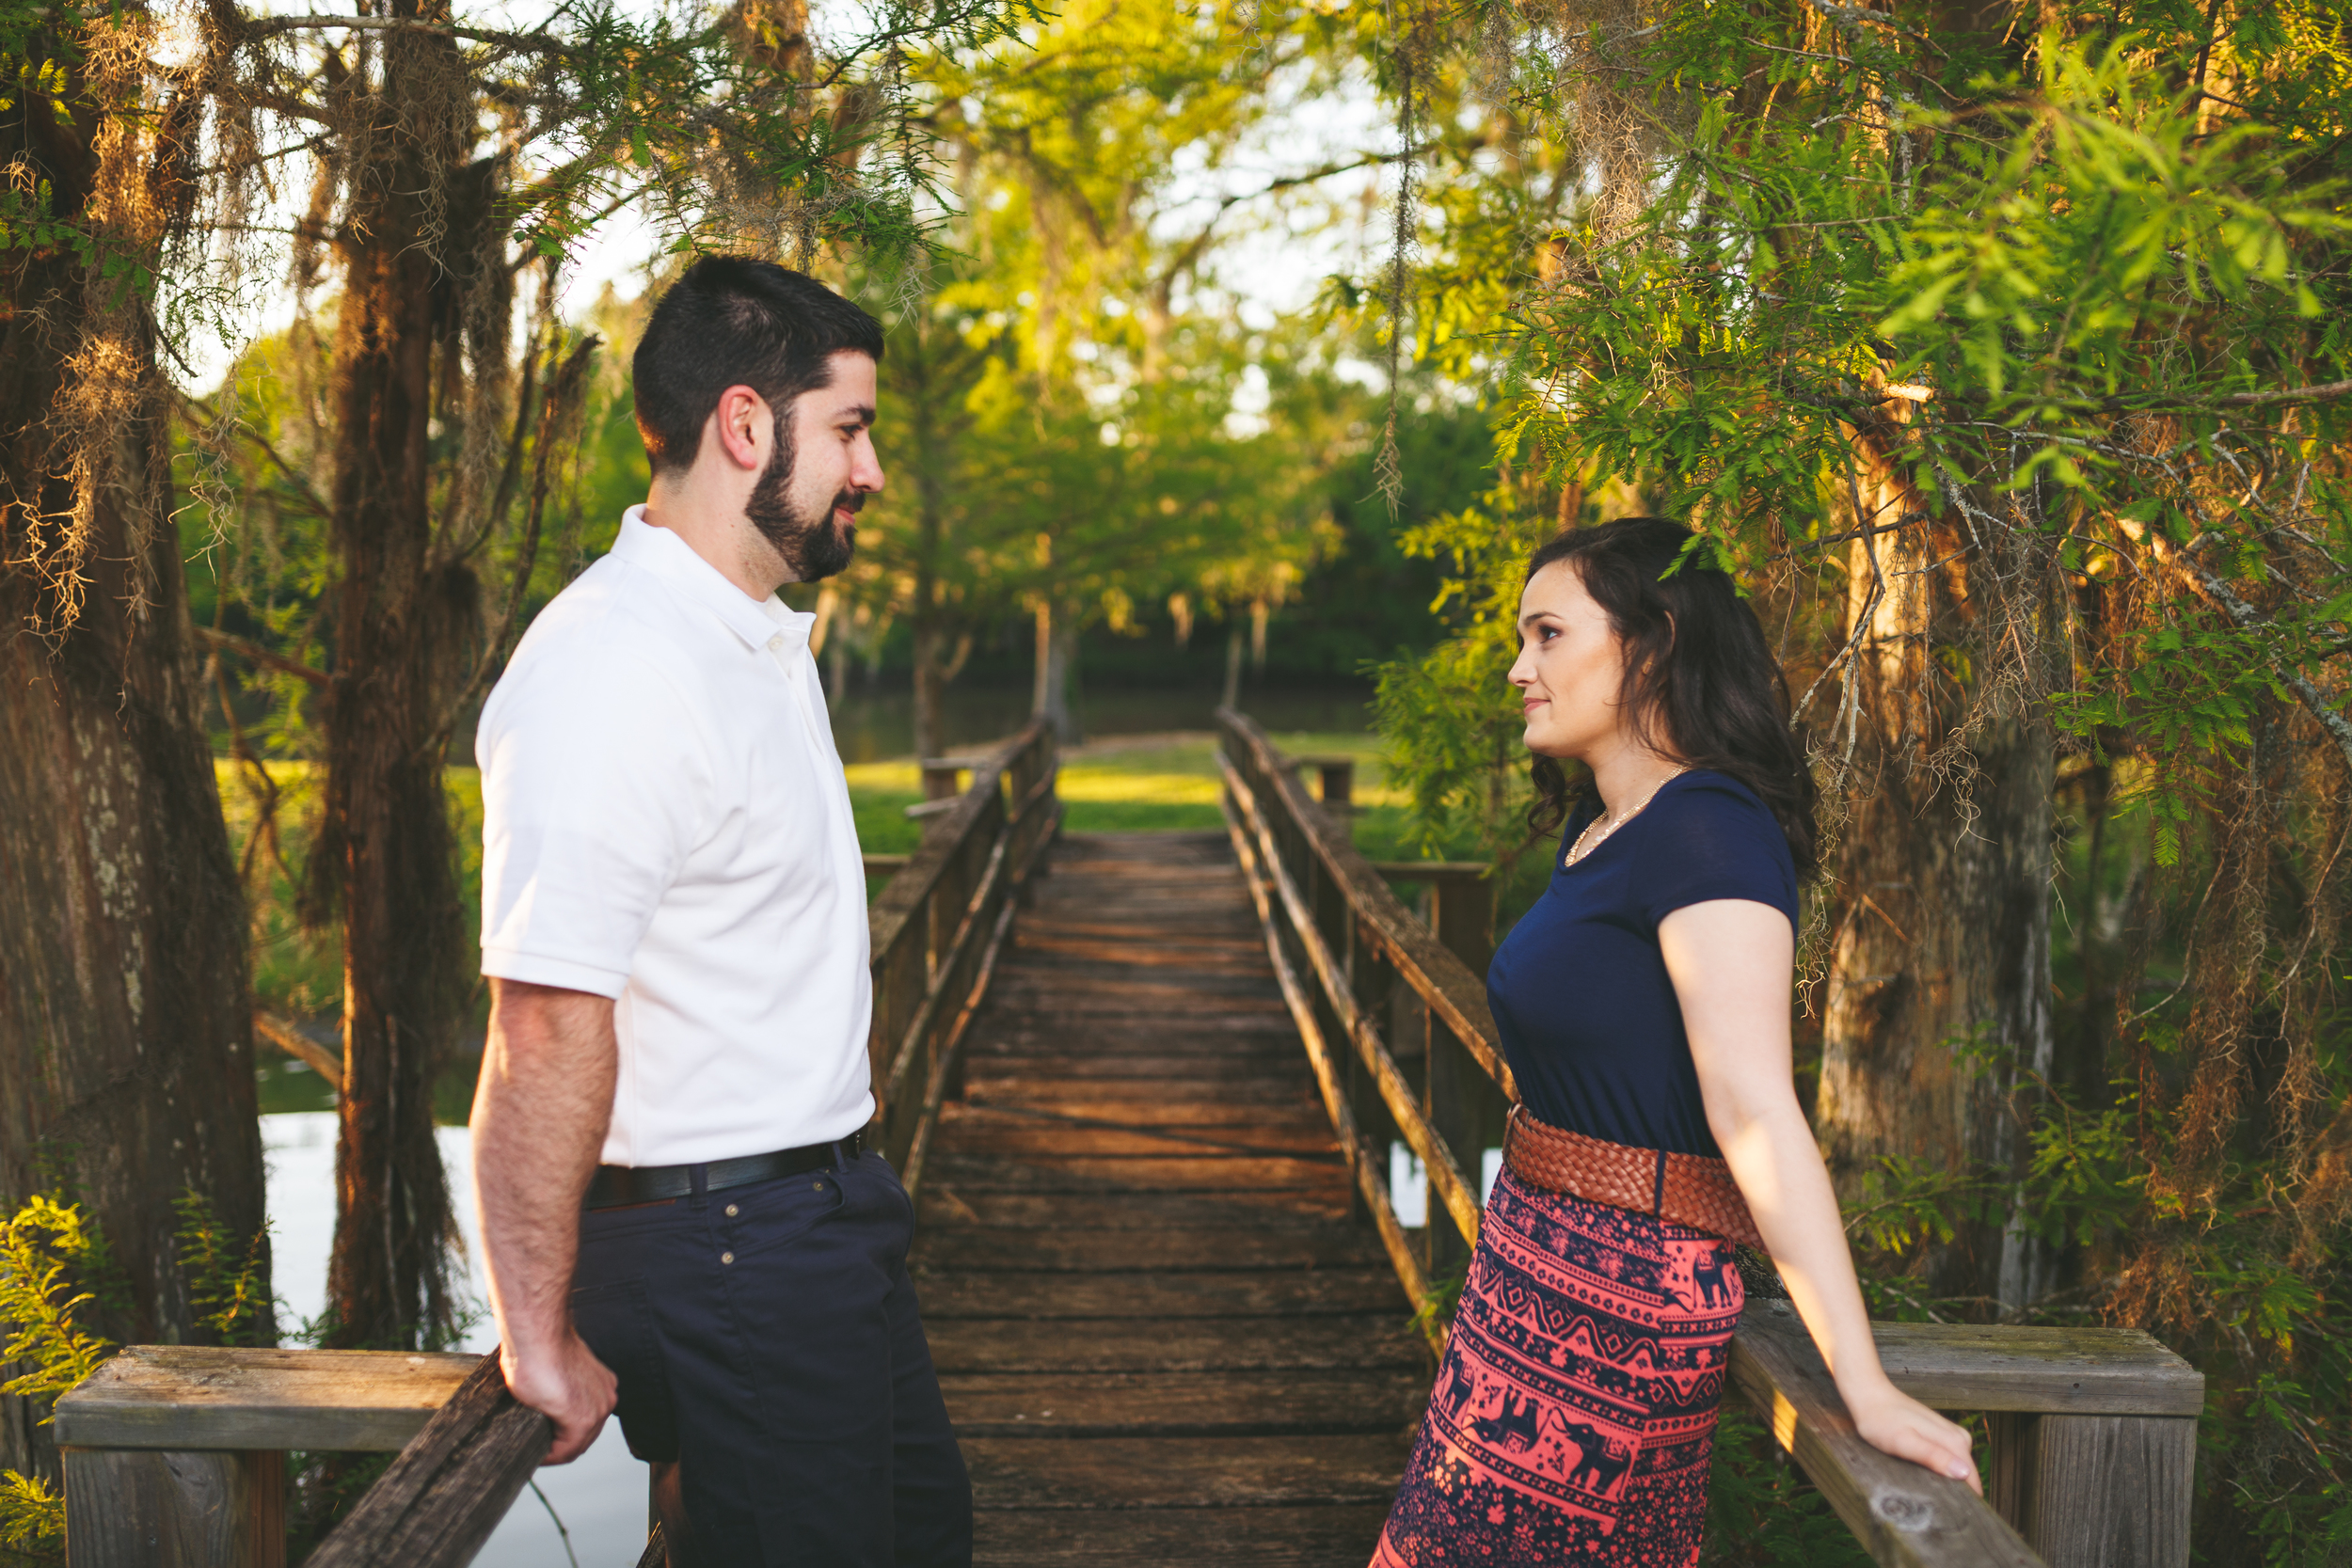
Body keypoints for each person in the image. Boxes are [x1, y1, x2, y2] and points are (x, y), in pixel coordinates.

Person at [469, 256, 972, 1567]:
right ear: (746, 424)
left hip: (819, 1214)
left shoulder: (747, 634)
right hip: (726, 1244)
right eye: (850, 430)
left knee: (923, 1536)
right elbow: (541, 1019)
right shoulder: (612, 669)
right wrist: (534, 1332)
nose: (869, 471)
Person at [1371, 517, 1979, 1567]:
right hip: (1529, 1262)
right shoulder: (1602, 825)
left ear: (1650, 643)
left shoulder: (1708, 828)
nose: (1520, 668)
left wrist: (1863, 1382)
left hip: (1619, 1295)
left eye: (1547, 634)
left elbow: (1752, 1105)